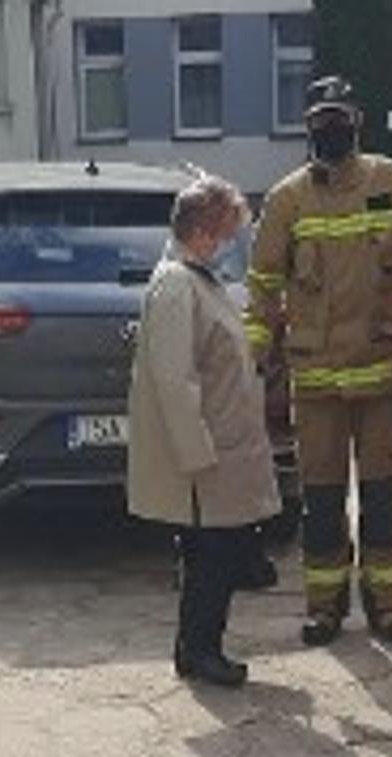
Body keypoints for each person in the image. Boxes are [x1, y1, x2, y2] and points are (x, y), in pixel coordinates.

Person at [244, 76, 392, 648]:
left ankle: (387, 607)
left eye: (338, 119)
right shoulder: (287, 201)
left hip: (382, 378)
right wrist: (252, 359)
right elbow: (262, 285)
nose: (329, 129)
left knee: (384, 501)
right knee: (323, 505)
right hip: (315, 387)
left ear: (356, 122)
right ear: (307, 128)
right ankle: (324, 609)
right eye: (319, 121)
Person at [127, 176, 281, 689]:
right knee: (212, 558)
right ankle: (201, 651)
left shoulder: (198, 280)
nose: (231, 242)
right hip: (206, 459)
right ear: (203, 232)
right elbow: (174, 379)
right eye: (227, 232)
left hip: (223, 450)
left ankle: (195, 649)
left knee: (211, 557)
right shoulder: (177, 284)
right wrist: (195, 455)